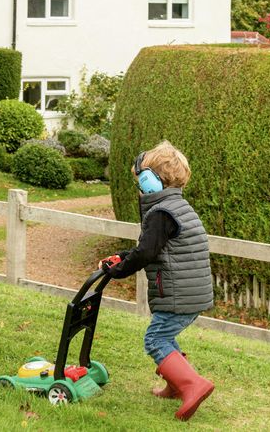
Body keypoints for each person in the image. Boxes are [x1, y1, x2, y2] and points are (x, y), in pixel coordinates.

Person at [99, 140, 216, 420]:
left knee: (156, 339)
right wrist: (122, 256)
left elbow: (146, 253)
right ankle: (176, 386)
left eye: (140, 179)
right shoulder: (177, 207)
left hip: (178, 294)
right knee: (166, 336)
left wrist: (118, 270)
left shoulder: (161, 213)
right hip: (191, 294)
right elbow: (151, 248)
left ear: (151, 181)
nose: (138, 186)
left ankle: (193, 385)